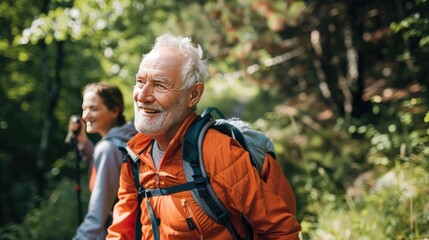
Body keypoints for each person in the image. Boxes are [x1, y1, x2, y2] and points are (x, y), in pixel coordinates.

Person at [107, 33, 301, 239]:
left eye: (160, 85)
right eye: (140, 81)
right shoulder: (136, 157)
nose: (143, 96)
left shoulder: (219, 153)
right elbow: (120, 232)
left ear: (193, 95)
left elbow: (280, 231)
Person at [68, 82, 137, 240]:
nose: (85, 115)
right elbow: (102, 167)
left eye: (93, 108)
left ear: (114, 111)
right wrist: (83, 142)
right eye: (84, 108)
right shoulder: (125, 139)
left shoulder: (108, 148)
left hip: (114, 232)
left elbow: (96, 216)